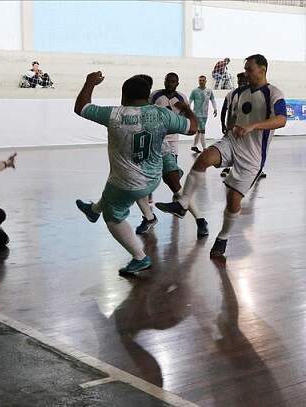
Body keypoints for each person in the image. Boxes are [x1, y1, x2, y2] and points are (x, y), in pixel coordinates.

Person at [156, 54, 287, 258]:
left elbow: (281, 120)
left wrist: (253, 126)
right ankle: (182, 204)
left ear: (262, 70)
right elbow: (235, 114)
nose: (245, 72)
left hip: (252, 156)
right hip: (233, 142)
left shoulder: (273, 93)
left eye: (249, 69)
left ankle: (223, 237)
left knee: (232, 201)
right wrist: (230, 127)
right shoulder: (239, 92)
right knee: (203, 158)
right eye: (244, 69)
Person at [74, 72, 197, 275]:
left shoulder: (115, 114)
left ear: (124, 96)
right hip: (153, 180)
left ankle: (140, 258)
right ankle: (93, 211)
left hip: (127, 183)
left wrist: (89, 82)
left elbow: (81, 107)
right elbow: (193, 128)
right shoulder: (161, 114)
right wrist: (188, 111)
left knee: (113, 216)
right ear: (147, 96)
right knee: (111, 191)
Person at [142, 72, 209, 238]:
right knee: (143, 185)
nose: (170, 83)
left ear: (177, 83)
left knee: (174, 182)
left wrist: (186, 110)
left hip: (170, 144)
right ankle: (149, 216)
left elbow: (190, 122)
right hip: (153, 142)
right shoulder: (155, 96)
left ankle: (196, 216)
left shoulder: (182, 98)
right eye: (168, 80)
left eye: (173, 81)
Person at [219, 72, 261, 178]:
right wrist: (223, 124)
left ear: (247, 81)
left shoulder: (255, 94)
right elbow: (224, 110)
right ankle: (228, 167)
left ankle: (258, 169)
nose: (242, 81)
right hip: (232, 127)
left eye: (244, 80)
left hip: (247, 128)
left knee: (251, 149)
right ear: (237, 81)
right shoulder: (231, 94)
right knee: (231, 147)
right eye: (240, 79)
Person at [189, 75, 218, 153]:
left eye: (203, 80)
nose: (201, 82)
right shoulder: (194, 91)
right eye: (200, 80)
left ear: (205, 81)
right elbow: (190, 101)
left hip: (205, 114)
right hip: (197, 115)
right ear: (198, 81)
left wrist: (215, 108)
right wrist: (188, 111)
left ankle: (194, 146)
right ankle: (205, 148)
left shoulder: (209, 91)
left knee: (199, 131)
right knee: (202, 131)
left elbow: (213, 100)